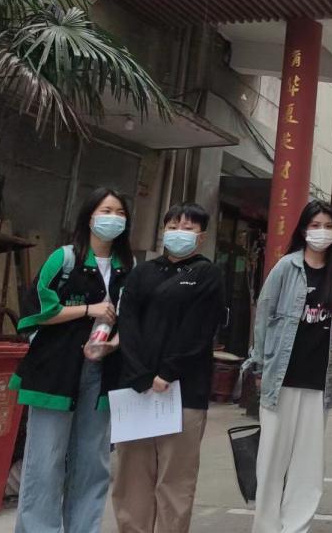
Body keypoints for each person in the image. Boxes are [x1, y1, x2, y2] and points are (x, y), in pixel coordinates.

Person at [11, 187, 132, 533]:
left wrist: (114, 344)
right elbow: (37, 309)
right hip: (55, 370)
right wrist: (89, 309)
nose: (113, 218)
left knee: (93, 462)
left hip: (102, 371)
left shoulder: (128, 268)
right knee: (46, 458)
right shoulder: (64, 259)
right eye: (106, 210)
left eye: (120, 213)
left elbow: (134, 319)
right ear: (89, 216)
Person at [112, 202, 226, 533]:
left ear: (201, 237)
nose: (179, 233)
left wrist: (167, 373)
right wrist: (140, 374)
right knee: (131, 478)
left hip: (183, 391)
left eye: (188, 228)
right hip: (136, 389)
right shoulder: (142, 272)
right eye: (173, 227)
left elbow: (200, 330)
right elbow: (128, 323)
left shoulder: (207, 274)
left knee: (175, 480)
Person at [250, 201, 332, 533]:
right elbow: (264, 315)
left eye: (328, 226)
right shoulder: (286, 267)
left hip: (319, 382)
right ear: (304, 230)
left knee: (308, 464)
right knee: (271, 460)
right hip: (281, 378)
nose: (321, 232)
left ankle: (296, 526)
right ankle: (266, 526)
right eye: (315, 225)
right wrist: (259, 364)